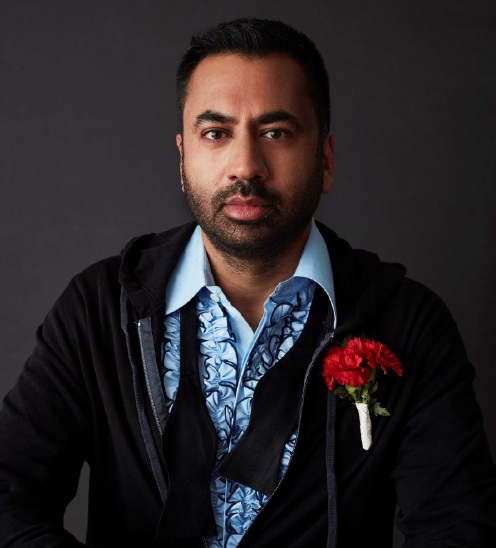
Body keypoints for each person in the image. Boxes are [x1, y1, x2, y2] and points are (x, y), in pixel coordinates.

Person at [0, 17, 495, 548]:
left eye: (276, 133)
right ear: (183, 159)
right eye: (216, 134)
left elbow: (456, 527)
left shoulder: (408, 323)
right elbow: (9, 494)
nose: (245, 165)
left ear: (325, 160)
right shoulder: (98, 307)